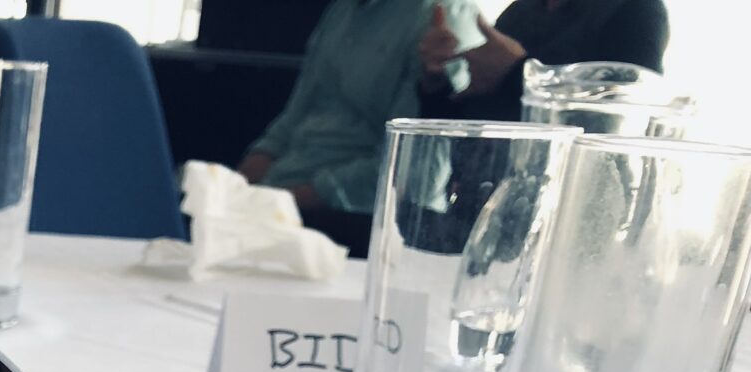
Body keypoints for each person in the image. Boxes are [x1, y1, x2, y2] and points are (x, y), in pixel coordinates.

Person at [239, 0, 479, 218]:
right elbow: (293, 118)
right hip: (282, 197)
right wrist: (237, 189)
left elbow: (412, 176)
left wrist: (280, 202)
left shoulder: (444, 17)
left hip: (362, 219)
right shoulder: (343, 9)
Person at [418, 0, 671, 121]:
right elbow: (478, 116)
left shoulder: (637, 10)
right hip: (487, 197)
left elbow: (628, 117)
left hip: (569, 206)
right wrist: (437, 82)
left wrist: (519, 72)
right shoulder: (521, 11)